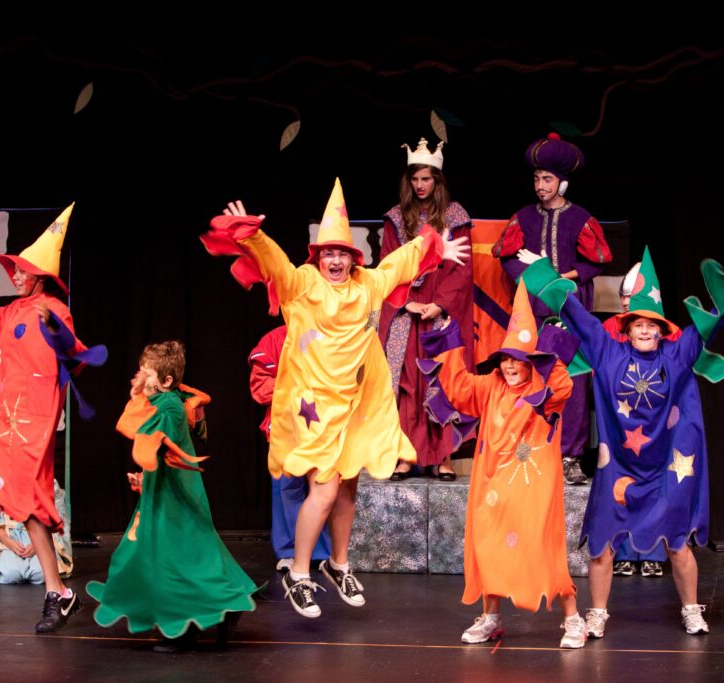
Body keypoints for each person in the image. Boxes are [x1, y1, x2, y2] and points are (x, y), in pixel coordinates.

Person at [201, 180, 469, 619]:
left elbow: (401, 263)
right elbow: (276, 265)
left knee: (347, 489)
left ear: (353, 258)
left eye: (342, 253)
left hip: (354, 408)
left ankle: (338, 564)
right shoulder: (303, 284)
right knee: (323, 492)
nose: (335, 260)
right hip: (314, 409)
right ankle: (299, 573)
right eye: (328, 253)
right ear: (318, 257)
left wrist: (434, 244)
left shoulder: (368, 286)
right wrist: (250, 234)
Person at [521, 243, 724, 638]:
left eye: (651, 324)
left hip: (665, 470)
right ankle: (598, 613)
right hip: (617, 468)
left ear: (661, 329)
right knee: (602, 545)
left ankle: (691, 608)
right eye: (638, 323)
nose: (644, 329)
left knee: (677, 545)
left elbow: (717, 318)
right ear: (627, 326)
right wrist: (542, 272)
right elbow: (574, 311)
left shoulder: (677, 355)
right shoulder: (606, 352)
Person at [420, 281, 586, 648]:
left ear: (532, 362)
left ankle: (574, 620)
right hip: (492, 485)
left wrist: (553, 350)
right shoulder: (490, 386)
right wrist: (448, 334)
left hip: (533, 487)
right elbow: (459, 387)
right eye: (506, 358)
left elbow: (562, 388)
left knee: (544, 549)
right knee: (488, 546)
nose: (510, 365)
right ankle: (491, 616)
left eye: (519, 359)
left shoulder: (545, 391)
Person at [0, 204, 105, 633]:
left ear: (39, 276)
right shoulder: (8, 313)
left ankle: (59, 593)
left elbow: (76, 354)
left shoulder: (54, 309)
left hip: (30, 424)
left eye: (22, 271)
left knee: (30, 508)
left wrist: (58, 332)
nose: (15, 275)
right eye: (14, 270)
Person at [87, 341, 257, 652]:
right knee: (190, 554)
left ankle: (183, 627)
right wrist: (146, 476)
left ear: (166, 381)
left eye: (148, 372)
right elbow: (162, 448)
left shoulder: (168, 407)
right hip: (170, 490)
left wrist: (137, 402)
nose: (141, 377)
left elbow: (145, 433)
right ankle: (222, 612)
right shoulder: (171, 401)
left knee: (171, 559)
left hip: (173, 497)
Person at [493, 133, 612, 485]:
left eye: (546, 179)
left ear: (562, 181)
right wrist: (531, 280)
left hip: (569, 309)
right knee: (530, 377)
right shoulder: (524, 217)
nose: (540, 185)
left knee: (571, 381)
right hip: (533, 310)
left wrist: (562, 278)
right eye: (536, 178)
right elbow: (508, 256)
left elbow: (595, 261)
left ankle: (571, 455)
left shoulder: (580, 217)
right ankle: (531, 448)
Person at [379, 138, 473, 481]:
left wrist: (438, 304)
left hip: (440, 310)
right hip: (407, 310)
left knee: (441, 379)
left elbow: (462, 270)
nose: (420, 185)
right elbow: (387, 265)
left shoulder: (455, 216)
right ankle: (406, 456)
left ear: (437, 180)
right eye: (415, 179)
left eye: (426, 179)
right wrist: (407, 301)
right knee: (408, 382)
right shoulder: (395, 218)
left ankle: (443, 457)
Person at [248, 324, 331, 572]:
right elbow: (260, 387)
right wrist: (295, 390)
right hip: (286, 428)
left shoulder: (331, 332)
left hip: (325, 425)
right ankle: (289, 551)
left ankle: (322, 551)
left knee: (325, 488)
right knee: (287, 487)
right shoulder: (275, 339)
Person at [604, 263, 664, 579]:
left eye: (635, 297)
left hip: (653, 424)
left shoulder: (660, 330)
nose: (630, 303)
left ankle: (652, 550)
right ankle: (624, 551)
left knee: (653, 489)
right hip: (620, 424)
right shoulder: (610, 330)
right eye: (626, 298)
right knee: (621, 489)